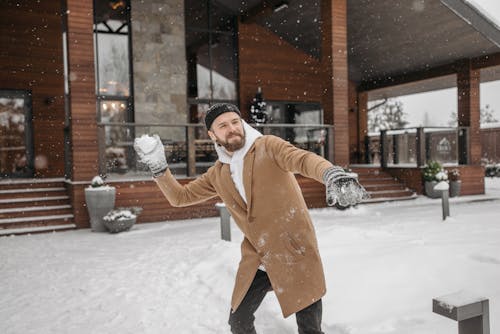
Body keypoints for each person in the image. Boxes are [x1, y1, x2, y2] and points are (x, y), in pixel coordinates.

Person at [134, 103, 368, 334]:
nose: (232, 128)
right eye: (223, 125)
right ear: (212, 134)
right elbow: (180, 197)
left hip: (294, 251)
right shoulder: (218, 173)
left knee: (309, 329)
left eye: (235, 122)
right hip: (258, 257)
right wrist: (159, 168)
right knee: (239, 321)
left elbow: (303, 159)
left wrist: (330, 173)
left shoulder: (268, 147)